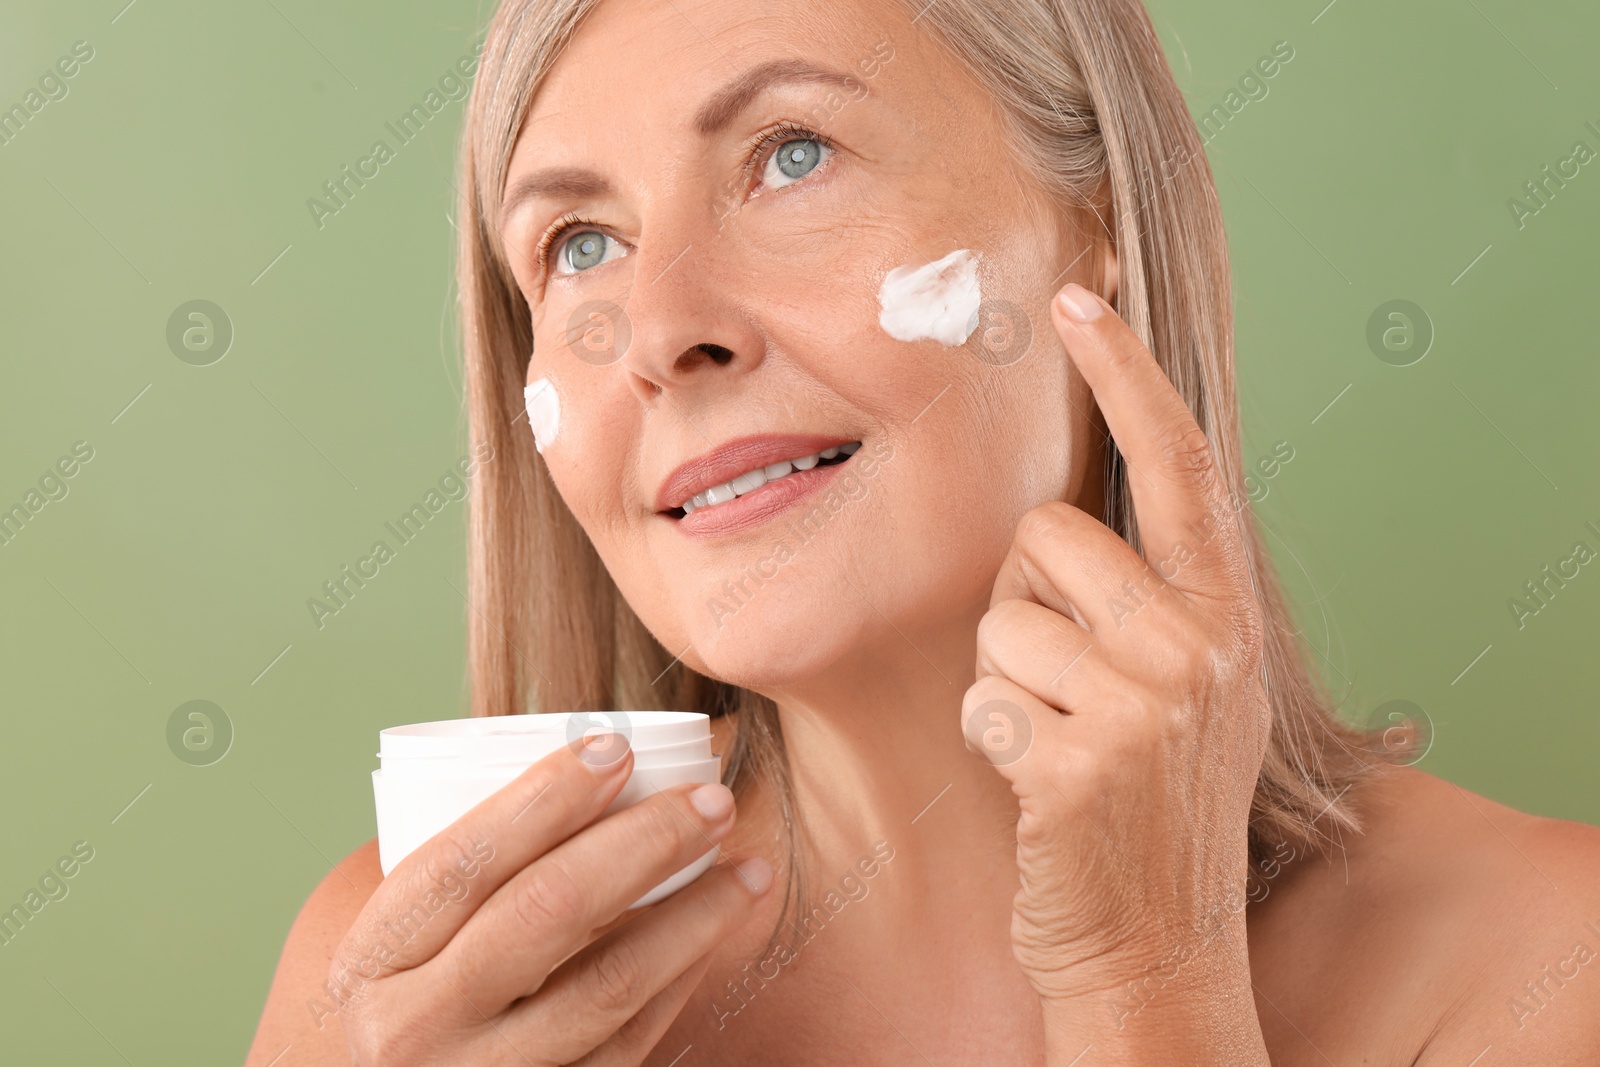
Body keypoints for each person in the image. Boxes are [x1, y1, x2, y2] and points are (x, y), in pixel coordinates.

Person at [247, 0, 1600, 1062]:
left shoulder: (1551, 959)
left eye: (790, 156)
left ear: (1098, 227)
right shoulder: (396, 991)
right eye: (581, 243)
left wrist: (1148, 986)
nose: (661, 332)